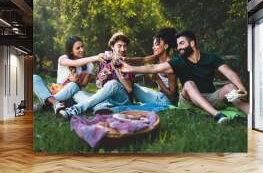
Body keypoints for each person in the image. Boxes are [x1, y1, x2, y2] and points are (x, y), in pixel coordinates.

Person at [121, 30, 249, 124]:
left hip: (210, 97)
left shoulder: (211, 58)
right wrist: (129, 68)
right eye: (178, 45)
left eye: (182, 43)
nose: (179, 48)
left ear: (192, 43)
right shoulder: (178, 61)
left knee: (231, 87)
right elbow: (152, 67)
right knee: (188, 84)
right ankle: (218, 116)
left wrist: (241, 88)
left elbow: (230, 73)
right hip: (188, 100)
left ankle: (255, 116)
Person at [60, 32, 135, 119]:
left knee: (113, 83)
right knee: (78, 94)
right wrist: (100, 80)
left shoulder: (129, 63)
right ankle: (103, 109)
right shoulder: (105, 62)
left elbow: (129, 89)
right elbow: (98, 85)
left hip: (122, 100)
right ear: (112, 47)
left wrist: (117, 70)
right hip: (106, 100)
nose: (123, 49)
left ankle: (76, 109)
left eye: (125, 46)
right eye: (119, 46)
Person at [33, 36, 105, 114]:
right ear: (71, 51)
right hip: (58, 92)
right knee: (34, 78)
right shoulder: (63, 58)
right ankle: (55, 103)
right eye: (78, 48)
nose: (82, 50)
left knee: (73, 85)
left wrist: (75, 82)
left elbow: (83, 86)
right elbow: (75, 63)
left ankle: (48, 103)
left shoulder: (89, 65)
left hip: (72, 97)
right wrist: (96, 57)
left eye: (82, 46)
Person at [123, 27, 178, 106]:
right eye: (153, 45)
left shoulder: (170, 65)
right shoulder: (156, 57)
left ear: (166, 46)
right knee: (132, 85)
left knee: (133, 87)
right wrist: (125, 59)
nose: (153, 47)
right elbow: (143, 59)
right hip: (159, 96)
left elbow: (172, 96)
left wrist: (158, 80)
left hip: (167, 101)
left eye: (156, 45)